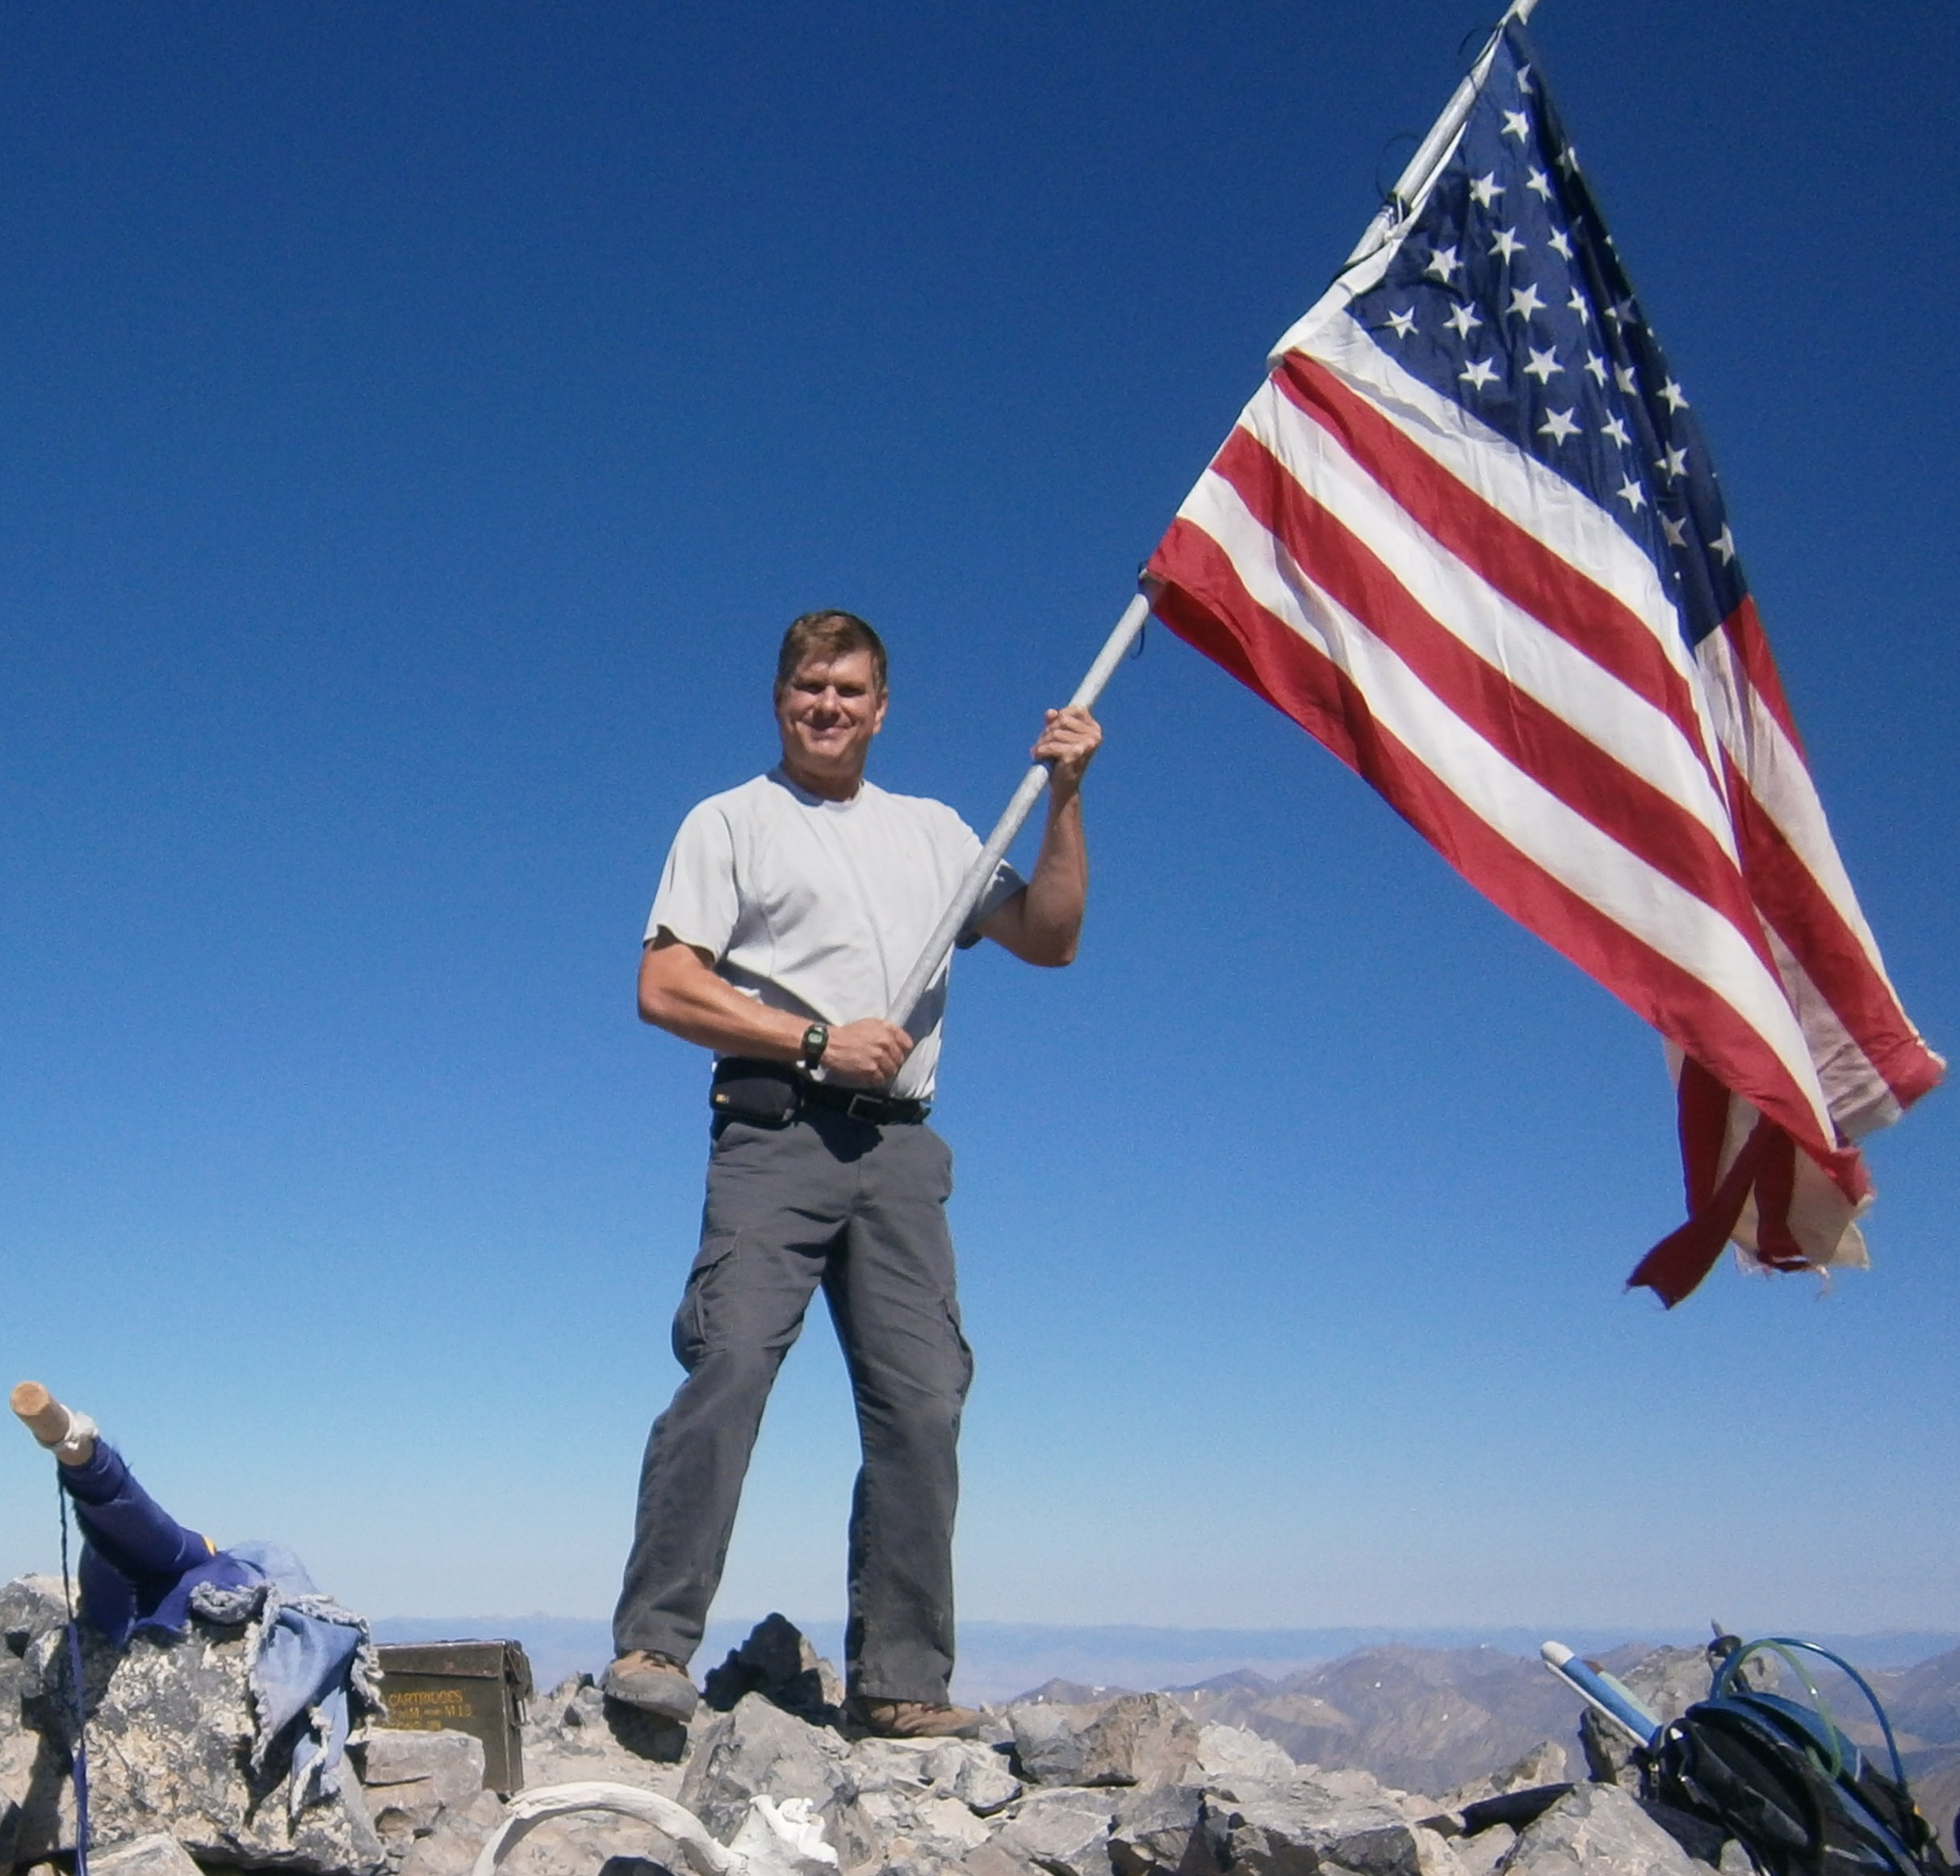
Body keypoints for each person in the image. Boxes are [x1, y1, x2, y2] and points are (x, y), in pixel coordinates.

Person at [605, 609, 1100, 1740]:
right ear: (780, 699)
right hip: (776, 1134)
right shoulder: (730, 822)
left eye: (850, 691)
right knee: (728, 1364)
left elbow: (1051, 935)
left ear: (883, 708)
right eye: (809, 688)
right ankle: (653, 1648)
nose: (828, 707)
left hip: (902, 1150)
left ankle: (902, 1684)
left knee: (925, 1404)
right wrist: (816, 1039)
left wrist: (1067, 793)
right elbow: (666, 985)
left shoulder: (935, 833)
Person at [9, 1380, 379, 1810]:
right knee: (129, 1545)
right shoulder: (190, 1558)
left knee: (147, 1545)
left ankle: (84, 1459)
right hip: (133, 1564)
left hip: (161, 1564)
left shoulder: (225, 1565)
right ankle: (84, 1459)